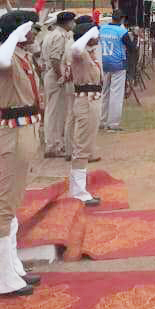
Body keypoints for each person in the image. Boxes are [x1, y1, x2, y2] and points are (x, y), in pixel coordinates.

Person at [0, 10, 44, 296]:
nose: (34, 33)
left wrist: (23, 34)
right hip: (14, 131)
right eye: (30, 29)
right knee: (6, 203)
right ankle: (2, 280)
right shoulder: (5, 56)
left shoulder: (22, 55)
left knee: (15, 200)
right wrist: (15, 33)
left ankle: (12, 268)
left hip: (27, 128)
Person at [68, 21, 103, 206]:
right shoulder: (79, 52)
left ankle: (79, 189)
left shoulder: (88, 53)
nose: (98, 36)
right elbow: (75, 47)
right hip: (86, 101)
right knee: (81, 147)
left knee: (85, 146)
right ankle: (78, 192)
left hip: (92, 99)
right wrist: (88, 33)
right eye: (94, 34)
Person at [42, 12, 77, 158]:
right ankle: (52, 146)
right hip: (55, 74)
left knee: (55, 110)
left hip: (51, 73)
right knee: (55, 111)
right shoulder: (59, 36)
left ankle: (56, 143)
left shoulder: (51, 34)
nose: (73, 24)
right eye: (72, 22)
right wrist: (62, 76)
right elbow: (55, 59)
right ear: (67, 22)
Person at [99, 10, 135, 131]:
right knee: (116, 94)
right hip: (118, 64)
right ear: (122, 19)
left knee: (104, 92)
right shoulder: (122, 31)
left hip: (104, 63)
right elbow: (132, 48)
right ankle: (113, 124)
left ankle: (101, 121)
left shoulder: (102, 29)